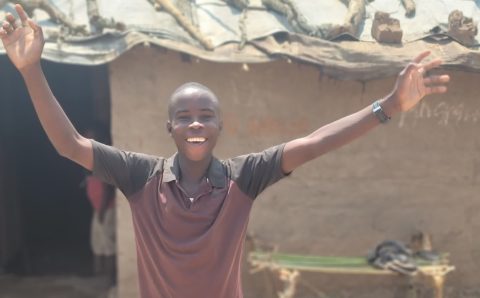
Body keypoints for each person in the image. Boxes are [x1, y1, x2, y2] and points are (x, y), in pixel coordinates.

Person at [1, 4, 450, 298]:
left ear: (219, 126)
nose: (195, 123)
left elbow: (313, 143)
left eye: (206, 115)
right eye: (184, 116)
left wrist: (389, 105)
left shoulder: (245, 176)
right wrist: (31, 71)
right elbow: (69, 144)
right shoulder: (140, 177)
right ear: (170, 127)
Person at [82, 127, 116, 286]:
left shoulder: (103, 157)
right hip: (100, 209)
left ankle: (108, 279)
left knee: (107, 243)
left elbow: (108, 187)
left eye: (90, 138)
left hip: (106, 209)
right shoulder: (92, 157)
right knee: (97, 242)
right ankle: (100, 276)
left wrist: (101, 210)